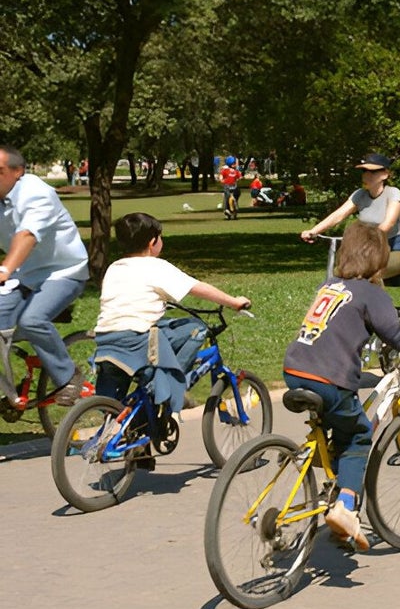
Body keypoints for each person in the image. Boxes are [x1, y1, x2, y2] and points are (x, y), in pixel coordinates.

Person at [284, 222, 400, 550]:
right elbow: (396, 336)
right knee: (359, 434)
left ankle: (336, 512)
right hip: (329, 378)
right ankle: (346, 507)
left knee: (339, 421)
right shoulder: (372, 293)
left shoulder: (331, 284)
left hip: (295, 369)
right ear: (379, 261)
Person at [92, 213, 251, 466]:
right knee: (195, 329)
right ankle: (170, 390)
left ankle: (141, 439)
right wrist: (234, 302)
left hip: (105, 339)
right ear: (153, 241)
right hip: (137, 339)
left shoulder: (115, 268)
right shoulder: (155, 266)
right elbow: (197, 287)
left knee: (161, 336)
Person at [0, 146, 90, 405]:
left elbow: (27, 235)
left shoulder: (35, 192)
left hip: (63, 272)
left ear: (18, 172)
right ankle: (11, 390)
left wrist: (5, 269)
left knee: (32, 320)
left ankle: (68, 376)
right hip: (24, 275)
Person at [301, 153, 400, 284]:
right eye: (364, 171)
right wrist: (314, 231)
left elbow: (388, 223)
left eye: (372, 172)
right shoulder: (359, 195)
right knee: (343, 272)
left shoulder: (393, 193)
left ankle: (378, 303)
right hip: (368, 251)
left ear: (385, 174)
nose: (366, 175)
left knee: (369, 272)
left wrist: (365, 240)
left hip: (393, 248)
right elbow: (338, 215)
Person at [219, 155, 242, 219]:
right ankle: (226, 210)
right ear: (231, 164)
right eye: (234, 163)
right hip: (227, 186)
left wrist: (239, 179)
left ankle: (234, 212)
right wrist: (222, 180)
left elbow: (239, 177)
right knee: (227, 197)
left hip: (234, 186)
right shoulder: (225, 170)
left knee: (234, 198)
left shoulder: (236, 171)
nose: (235, 164)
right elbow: (221, 177)